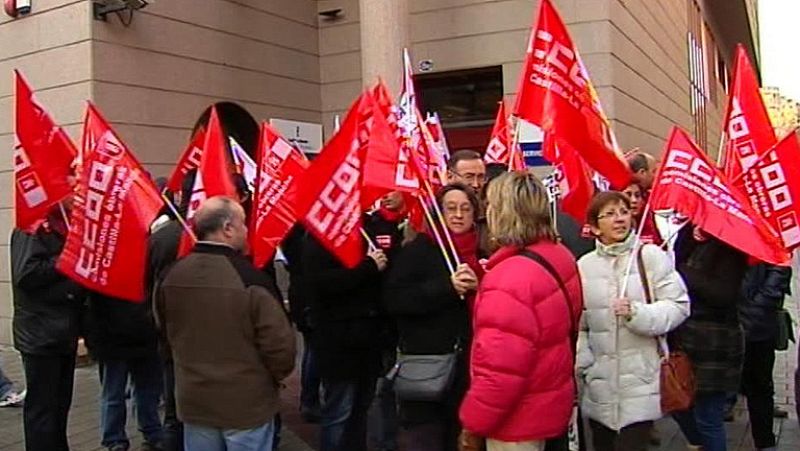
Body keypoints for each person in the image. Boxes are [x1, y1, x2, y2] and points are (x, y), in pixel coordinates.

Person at [156, 196, 296, 451]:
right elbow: (280, 346)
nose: (246, 231)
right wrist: (273, 378)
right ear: (227, 228)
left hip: (195, 401)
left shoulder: (171, 275)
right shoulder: (251, 279)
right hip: (246, 405)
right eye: (243, 224)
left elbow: (163, 332)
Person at [459, 171, 583, 451]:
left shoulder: (509, 279)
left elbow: (500, 372)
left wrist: (472, 425)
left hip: (516, 422)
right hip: (550, 405)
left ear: (503, 213)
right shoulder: (559, 254)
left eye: (490, 205)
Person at [576, 191, 690, 451]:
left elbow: (679, 306)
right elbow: (580, 324)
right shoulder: (584, 266)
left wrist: (637, 314)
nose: (619, 219)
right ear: (594, 226)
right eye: (610, 214)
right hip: (599, 386)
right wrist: (584, 361)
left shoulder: (650, 256)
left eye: (624, 212)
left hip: (641, 382)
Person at [383, 184, 483, 451]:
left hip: (472, 366)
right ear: (439, 214)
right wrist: (446, 288)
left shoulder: (484, 251)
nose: (458, 215)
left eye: (465, 209)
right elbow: (395, 300)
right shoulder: (418, 250)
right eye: (451, 209)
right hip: (430, 362)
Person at [303, 217, 389, 451]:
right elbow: (322, 283)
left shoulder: (370, 226)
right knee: (339, 413)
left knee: (360, 412)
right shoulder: (320, 233)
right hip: (338, 342)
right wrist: (368, 268)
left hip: (369, 340)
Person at [11, 190, 86, 451]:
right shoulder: (32, 227)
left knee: (59, 407)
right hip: (41, 334)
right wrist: (68, 257)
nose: (79, 189)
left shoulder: (63, 225)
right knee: (42, 410)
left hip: (62, 333)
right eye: (72, 180)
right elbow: (26, 273)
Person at [672, 226, 749, 451]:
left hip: (716, 343)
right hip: (686, 337)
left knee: (709, 417)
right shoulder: (689, 233)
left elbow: (723, 294)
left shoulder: (731, 245)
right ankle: (699, 444)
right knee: (677, 403)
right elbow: (676, 262)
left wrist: (683, 272)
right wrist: (689, 237)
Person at [87, 289, 164, 451]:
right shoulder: (105, 269)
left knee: (140, 391)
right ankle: (120, 437)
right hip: (119, 335)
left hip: (137, 334)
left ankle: (124, 437)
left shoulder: (103, 269)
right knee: (119, 392)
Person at [366, 191, 407, 451]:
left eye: (391, 189)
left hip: (408, 319)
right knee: (384, 384)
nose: (385, 196)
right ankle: (385, 440)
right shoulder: (372, 225)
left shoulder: (421, 223)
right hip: (382, 319)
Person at [738, 263, 791, 451]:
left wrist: (747, 318)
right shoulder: (722, 244)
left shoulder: (771, 247)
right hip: (727, 328)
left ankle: (765, 441)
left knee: (759, 387)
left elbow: (774, 287)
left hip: (758, 330)